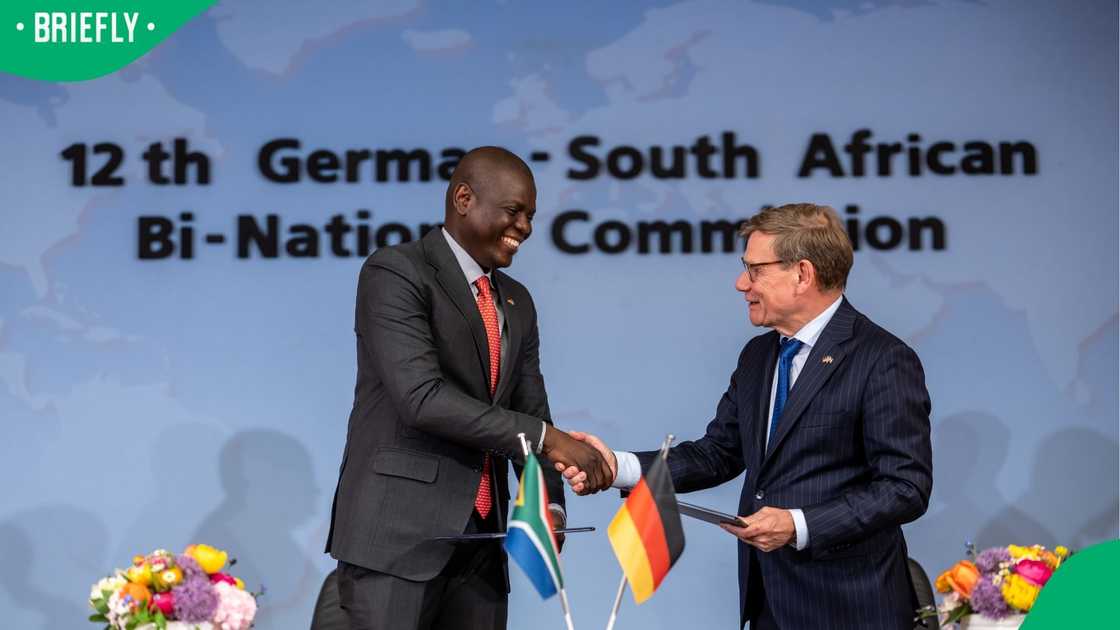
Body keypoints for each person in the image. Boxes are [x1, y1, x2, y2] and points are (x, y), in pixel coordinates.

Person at [564, 203, 933, 629]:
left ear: (803, 274)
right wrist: (616, 466)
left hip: (849, 607)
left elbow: (905, 487)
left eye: (755, 270)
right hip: (767, 605)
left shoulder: (881, 359)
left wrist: (798, 525)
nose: (742, 284)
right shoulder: (758, 355)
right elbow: (718, 453)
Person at [326, 146, 612, 630]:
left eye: (531, 216)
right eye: (514, 211)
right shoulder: (396, 271)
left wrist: (551, 504)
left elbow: (531, 406)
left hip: (483, 546)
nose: (525, 227)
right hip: (398, 544)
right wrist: (548, 439)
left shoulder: (517, 300)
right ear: (464, 198)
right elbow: (422, 399)